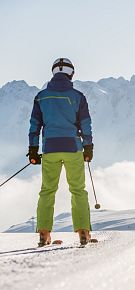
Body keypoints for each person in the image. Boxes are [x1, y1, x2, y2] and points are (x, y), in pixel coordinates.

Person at [28, 58, 96, 246]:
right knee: (78, 190)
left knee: (47, 191)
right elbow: (86, 124)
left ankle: (44, 233)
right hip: (73, 148)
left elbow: (34, 125)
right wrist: (88, 147)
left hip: (50, 148)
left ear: (53, 73)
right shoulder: (78, 96)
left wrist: (33, 149)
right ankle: (83, 232)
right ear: (71, 73)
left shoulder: (41, 97)